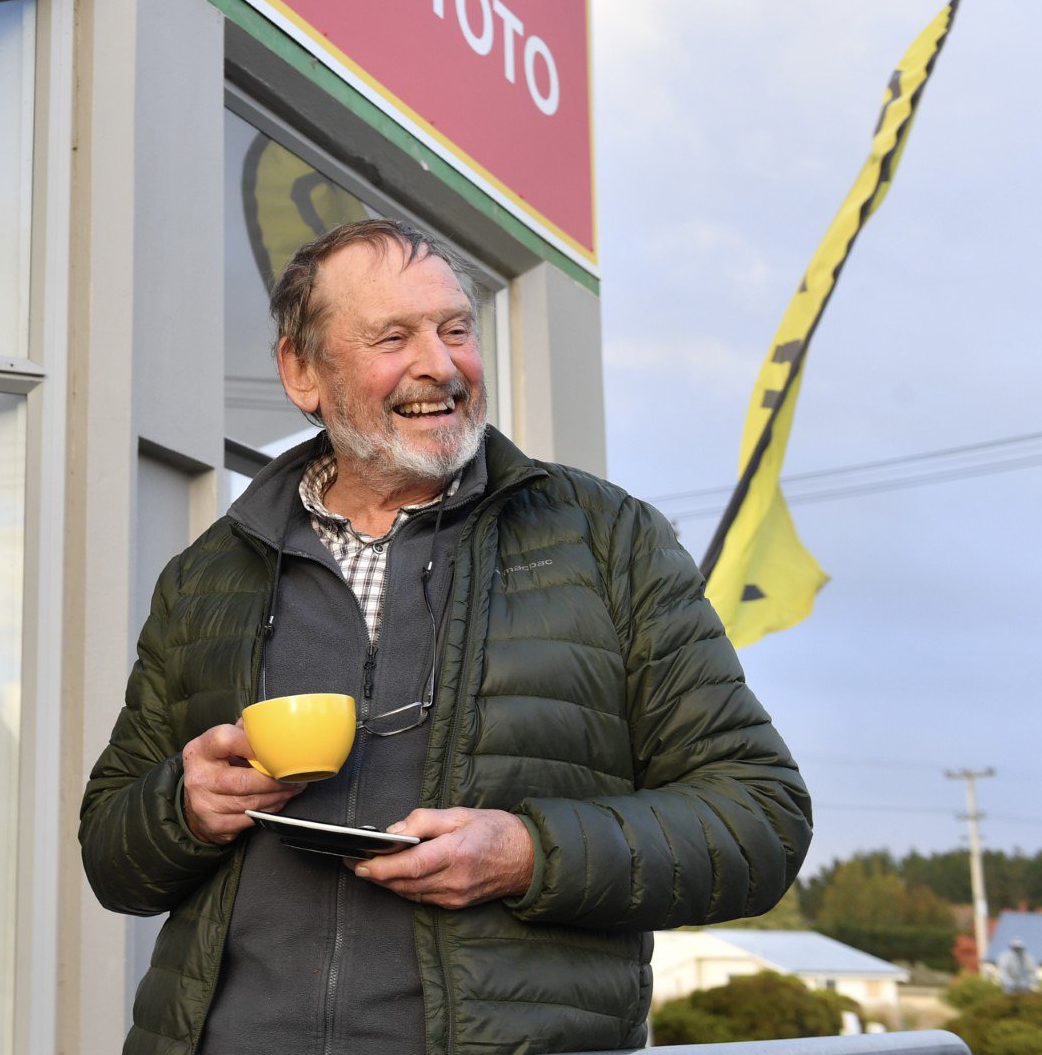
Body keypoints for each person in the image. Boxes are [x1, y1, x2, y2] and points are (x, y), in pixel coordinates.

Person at [79, 219, 811, 1055]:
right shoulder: (209, 574)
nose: (441, 363)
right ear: (302, 371)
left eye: (455, 328)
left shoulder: (610, 541)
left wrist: (530, 852)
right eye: (394, 336)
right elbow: (110, 852)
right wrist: (184, 803)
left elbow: (762, 819)